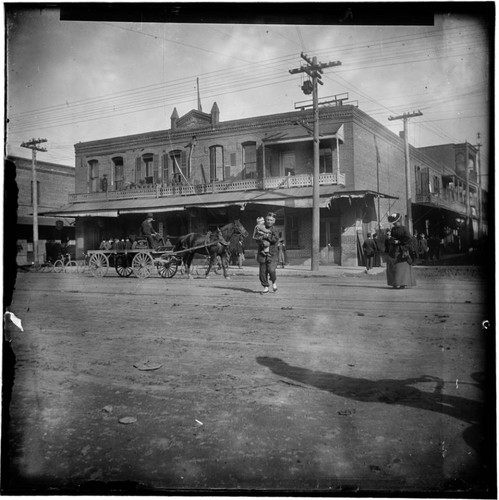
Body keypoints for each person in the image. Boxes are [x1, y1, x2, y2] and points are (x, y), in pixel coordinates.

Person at [385, 213, 417, 289]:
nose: (394, 224)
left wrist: (399, 242)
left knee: (402, 267)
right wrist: (390, 239)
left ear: (399, 221)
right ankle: (395, 283)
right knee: (393, 266)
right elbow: (393, 238)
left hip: (402, 250)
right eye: (393, 223)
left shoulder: (404, 229)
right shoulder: (393, 229)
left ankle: (403, 283)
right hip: (394, 250)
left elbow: (409, 239)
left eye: (395, 222)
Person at [253, 212, 280, 293]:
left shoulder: (275, 229)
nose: (269, 221)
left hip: (272, 253)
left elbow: (275, 239)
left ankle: (274, 282)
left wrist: (266, 236)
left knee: (271, 270)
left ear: (274, 221)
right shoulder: (260, 227)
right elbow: (256, 238)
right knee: (262, 272)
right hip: (262, 253)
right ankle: (266, 287)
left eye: (271, 220)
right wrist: (261, 241)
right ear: (265, 219)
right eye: (268, 219)